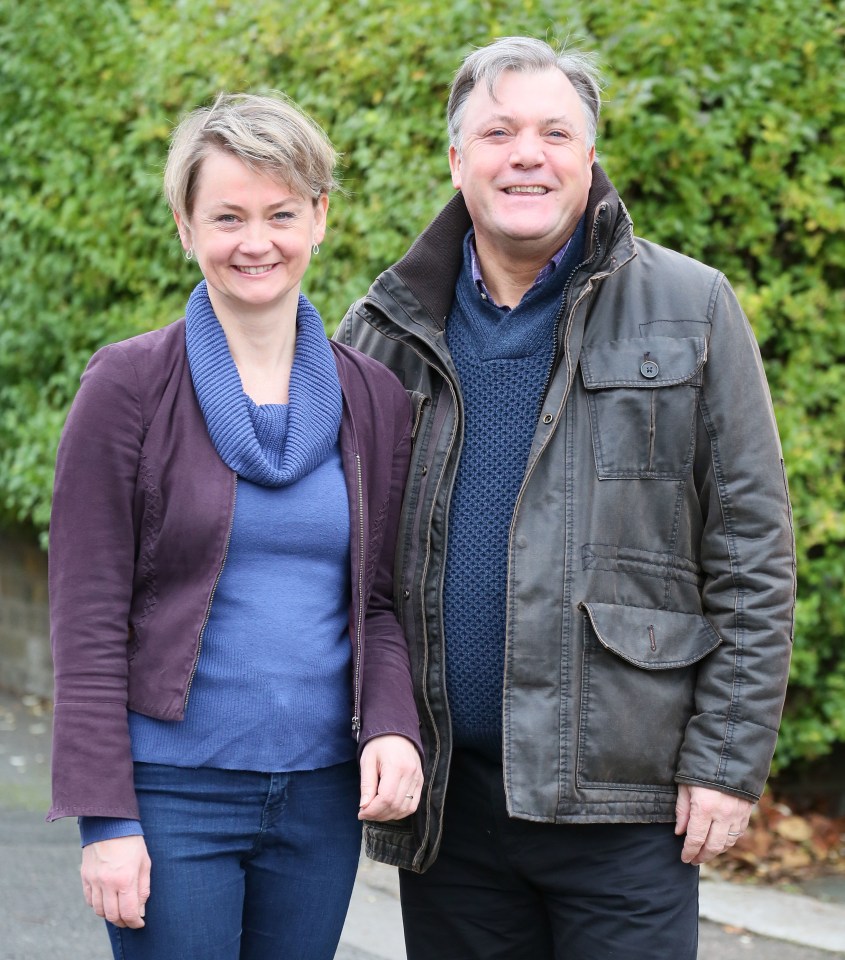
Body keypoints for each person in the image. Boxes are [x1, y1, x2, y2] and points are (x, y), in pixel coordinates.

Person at [336, 36, 795, 960]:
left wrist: (725, 766)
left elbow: (751, 551)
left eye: (555, 131)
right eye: (497, 131)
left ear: (588, 155)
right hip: (450, 815)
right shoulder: (383, 329)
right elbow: (349, 570)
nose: (526, 155)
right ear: (456, 157)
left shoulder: (692, 306)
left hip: (627, 810)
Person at [48, 91, 423, 960]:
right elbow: (88, 616)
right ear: (186, 225)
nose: (256, 242)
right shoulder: (127, 387)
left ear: (319, 218)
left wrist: (393, 725)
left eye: (281, 214)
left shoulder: (374, 397)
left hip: (320, 799)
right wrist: (105, 818)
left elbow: (377, 603)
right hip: (172, 797)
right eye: (227, 216)